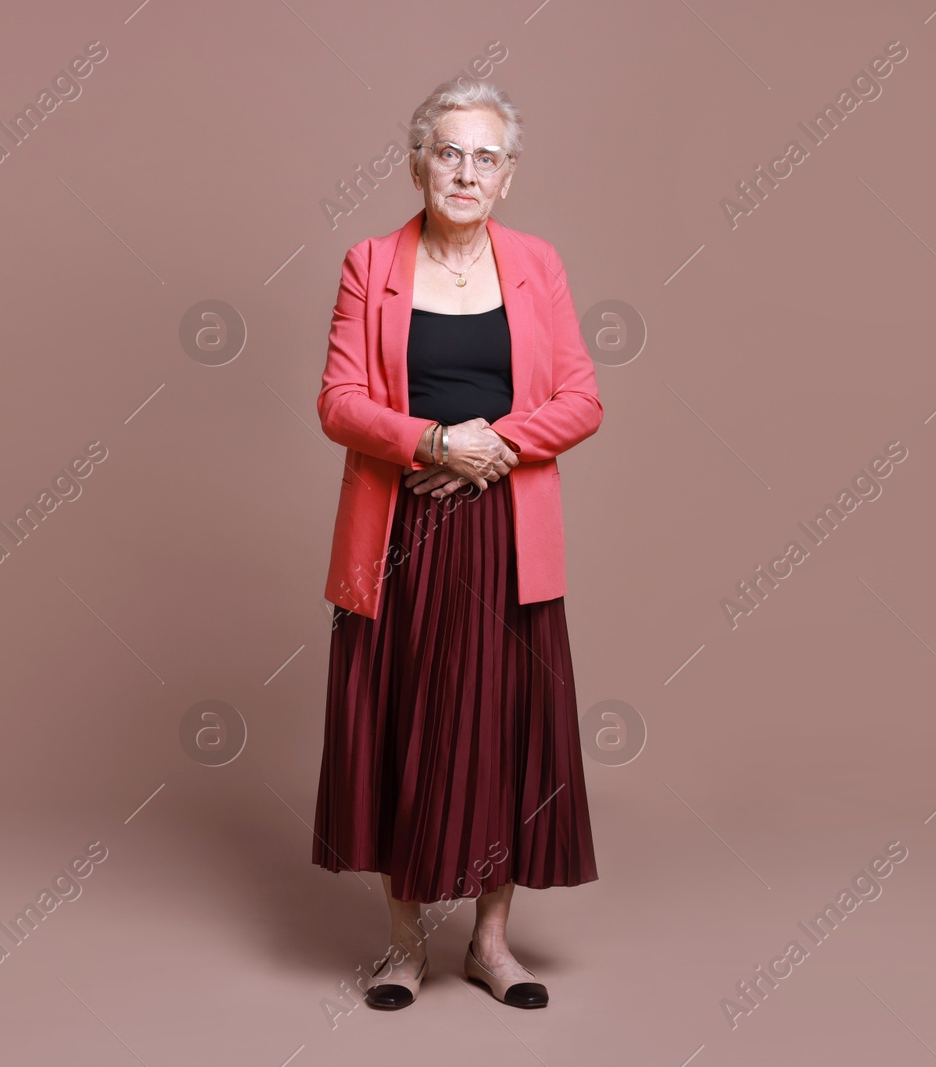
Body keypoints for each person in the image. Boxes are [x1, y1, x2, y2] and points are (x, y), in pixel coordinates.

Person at [312, 76, 602, 1011]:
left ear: (508, 175)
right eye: (448, 151)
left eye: (485, 156)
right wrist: (431, 443)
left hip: (509, 536)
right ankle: (403, 947)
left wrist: (493, 447)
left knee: (502, 735)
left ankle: (490, 943)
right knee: (401, 726)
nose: (465, 171)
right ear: (417, 163)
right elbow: (340, 402)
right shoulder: (370, 263)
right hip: (397, 536)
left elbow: (582, 400)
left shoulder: (538, 265)